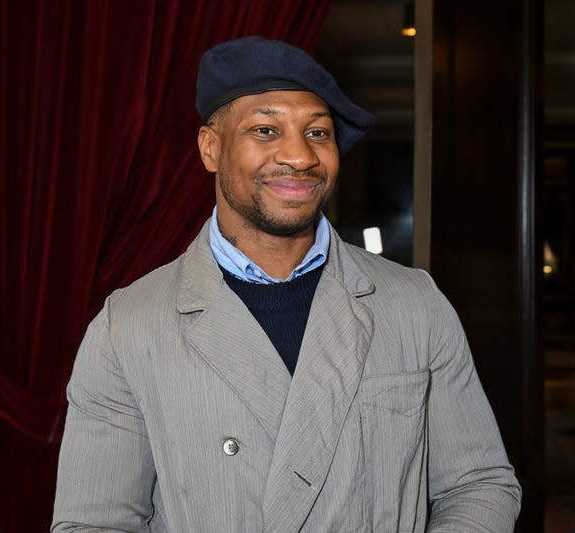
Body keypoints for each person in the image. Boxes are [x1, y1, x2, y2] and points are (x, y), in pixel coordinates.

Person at [51, 36, 521, 532]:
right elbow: (94, 523)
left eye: (318, 133)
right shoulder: (128, 327)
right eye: (266, 129)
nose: (299, 157)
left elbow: (479, 483)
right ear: (211, 148)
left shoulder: (413, 304)